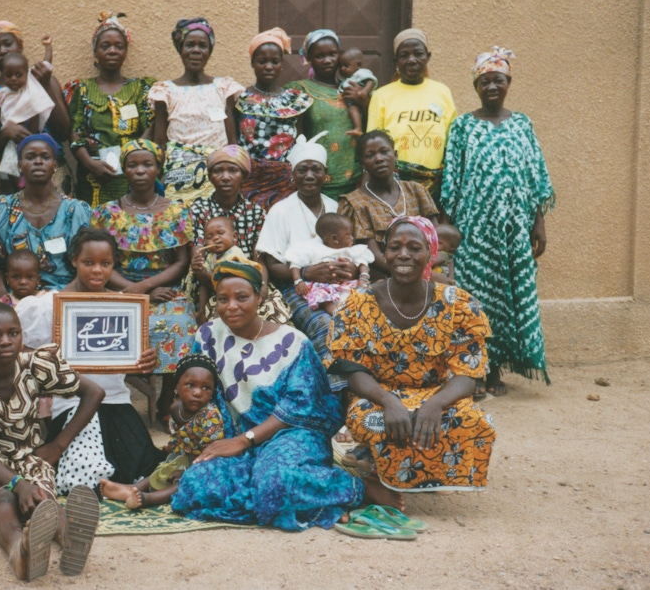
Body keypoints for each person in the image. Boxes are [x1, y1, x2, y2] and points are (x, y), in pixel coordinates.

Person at [171, 259, 403, 530]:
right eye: (222, 299)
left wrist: (246, 440)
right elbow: (197, 390)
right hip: (235, 439)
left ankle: (358, 488)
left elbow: (302, 408)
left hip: (292, 434)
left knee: (276, 481)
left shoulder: (292, 342)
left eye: (242, 297)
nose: (231, 306)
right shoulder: (208, 336)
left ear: (260, 297)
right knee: (194, 484)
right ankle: (310, 499)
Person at [328, 216, 496, 493]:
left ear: (431, 252)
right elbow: (352, 370)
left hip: (436, 393)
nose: (403, 255)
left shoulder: (458, 304)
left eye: (414, 247)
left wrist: (436, 403)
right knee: (373, 419)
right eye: (395, 247)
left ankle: (400, 467)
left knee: (475, 420)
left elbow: (468, 373)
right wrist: (388, 400)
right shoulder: (357, 304)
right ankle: (381, 472)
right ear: (384, 253)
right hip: (376, 396)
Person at [0, 303, 103, 581]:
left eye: (13, 333)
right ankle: (19, 550)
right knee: (3, 499)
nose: (6, 341)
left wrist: (58, 445)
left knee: (45, 504)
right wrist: (18, 484)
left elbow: (94, 392)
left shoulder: (34, 367)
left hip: (28, 460)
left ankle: (71, 541)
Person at [442, 46, 555, 394]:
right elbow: (452, 179)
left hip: (516, 229)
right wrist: (449, 229)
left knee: (510, 297)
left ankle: (499, 369)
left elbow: (536, 177)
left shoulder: (522, 123)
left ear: (509, 83)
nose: (492, 86)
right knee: (478, 298)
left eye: (499, 80)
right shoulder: (462, 126)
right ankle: (478, 371)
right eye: (485, 81)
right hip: (475, 231)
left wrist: (538, 223)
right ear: (476, 85)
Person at [39, 227, 164, 491]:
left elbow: (129, 362)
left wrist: (145, 361)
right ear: (73, 261)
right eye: (88, 263)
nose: (97, 270)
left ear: (113, 265)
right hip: (72, 406)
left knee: (143, 468)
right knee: (82, 474)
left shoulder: (124, 307)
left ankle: (122, 490)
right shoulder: (50, 305)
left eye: (105, 264)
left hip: (116, 402)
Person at [90, 140, 197, 420]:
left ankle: (166, 396)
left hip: (164, 287)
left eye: (147, 164)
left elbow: (181, 261)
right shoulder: (106, 213)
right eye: (132, 164)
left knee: (180, 321)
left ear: (158, 169)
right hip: (117, 287)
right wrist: (135, 291)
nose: (140, 170)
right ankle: (112, 401)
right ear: (123, 170)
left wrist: (147, 288)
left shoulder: (176, 211)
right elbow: (102, 263)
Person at [255, 132, 351, 387]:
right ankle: (337, 394)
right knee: (324, 324)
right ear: (292, 175)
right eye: (303, 170)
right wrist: (307, 274)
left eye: (316, 170)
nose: (309, 175)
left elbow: (350, 249)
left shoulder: (335, 207)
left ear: (325, 174)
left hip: (340, 287)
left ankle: (364, 389)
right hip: (297, 289)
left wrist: (349, 267)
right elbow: (272, 264)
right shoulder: (281, 211)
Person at [100, 354, 223, 510]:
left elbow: (211, 452)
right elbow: (178, 437)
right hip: (185, 457)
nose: (198, 392)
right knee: (163, 467)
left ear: (212, 392)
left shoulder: (210, 416)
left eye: (206, 388)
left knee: (185, 480)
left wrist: (185, 470)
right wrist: (173, 449)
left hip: (206, 462)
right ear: (176, 387)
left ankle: (147, 499)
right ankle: (133, 487)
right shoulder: (174, 409)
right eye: (190, 385)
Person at [64, 11, 156, 206]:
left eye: (118, 46)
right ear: (95, 51)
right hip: (93, 178)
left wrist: (132, 160)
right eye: (105, 46)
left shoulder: (139, 89)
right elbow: (75, 132)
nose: (112, 51)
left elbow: (150, 127)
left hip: (133, 177)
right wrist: (89, 163)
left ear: (125, 51)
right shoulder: (82, 89)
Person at [150, 18, 243, 205]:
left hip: (217, 174)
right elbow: (159, 141)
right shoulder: (165, 91)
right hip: (178, 175)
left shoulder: (224, 88)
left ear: (210, 51)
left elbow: (232, 140)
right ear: (180, 49)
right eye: (189, 45)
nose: (196, 51)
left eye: (203, 46)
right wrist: (157, 179)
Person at [0, 21, 70, 195]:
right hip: (12, 173)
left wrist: (46, 86)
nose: (2, 50)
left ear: (20, 46)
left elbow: (63, 132)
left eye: (8, 44)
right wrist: (6, 133)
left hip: (52, 172)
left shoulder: (42, 80)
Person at [0, 133, 92, 293]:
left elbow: (84, 265)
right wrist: (0, 294)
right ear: (20, 165)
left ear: (55, 165)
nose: (38, 161)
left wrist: (59, 299)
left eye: (45, 157)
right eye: (30, 157)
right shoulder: (3, 208)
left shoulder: (74, 210)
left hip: (64, 292)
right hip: (18, 294)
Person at [366, 28, 458, 202]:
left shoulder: (442, 92)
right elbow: (373, 143)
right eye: (404, 55)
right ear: (396, 61)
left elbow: (452, 141)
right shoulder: (382, 95)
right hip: (394, 185)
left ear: (428, 57)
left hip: (436, 185)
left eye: (418, 54)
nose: (412, 60)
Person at [338, 130, 439, 275]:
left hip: (428, 268)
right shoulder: (355, 203)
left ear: (395, 155)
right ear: (363, 164)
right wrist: (421, 275)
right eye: (370, 155)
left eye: (384, 152)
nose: (378, 159)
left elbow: (436, 239)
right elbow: (373, 256)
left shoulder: (417, 191)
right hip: (384, 277)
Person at [235, 28, 312, 209]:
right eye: (262, 61)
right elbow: (234, 142)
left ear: (281, 64)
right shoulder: (239, 98)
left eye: (274, 61)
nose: (268, 66)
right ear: (253, 63)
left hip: (284, 181)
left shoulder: (295, 101)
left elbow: (300, 141)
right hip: (248, 178)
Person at [285, 29, 361, 199]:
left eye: (332, 54)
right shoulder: (300, 90)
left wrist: (363, 100)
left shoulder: (351, 89)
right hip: (315, 183)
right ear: (309, 59)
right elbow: (294, 136)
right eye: (319, 56)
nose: (327, 60)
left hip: (354, 180)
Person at [286, 213, 373, 315]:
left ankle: (357, 312)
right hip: (324, 286)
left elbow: (363, 263)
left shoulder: (350, 251)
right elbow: (295, 263)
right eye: (348, 235)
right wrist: (298, 281)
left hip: (347, 285)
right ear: (334, 238)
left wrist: (364, 277)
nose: (352, 238)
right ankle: (337, 314)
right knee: (323, 297)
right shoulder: (314, 249)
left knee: (362, 295)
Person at [0, 52, 56, 179]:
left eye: (18, 75)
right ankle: (18, 184)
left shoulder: (31, 86)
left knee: (30, 156)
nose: (14, 79)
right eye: (8, 76)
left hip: (31, 130)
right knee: (13, 163)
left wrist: (48, 47)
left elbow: (45, 65)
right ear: (2, 76)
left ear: (27, 74)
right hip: (11, 135)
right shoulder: (2, 93)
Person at [335, 47, 378, 138]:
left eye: (346, 65)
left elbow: (371, 81)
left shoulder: (361, 73)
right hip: (353, 103)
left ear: (358, 64)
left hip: (364, 98)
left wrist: (364, 91)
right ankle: (358, 128)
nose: (342, 68)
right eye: (340, 66)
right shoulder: (347, 79)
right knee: (352, 110)